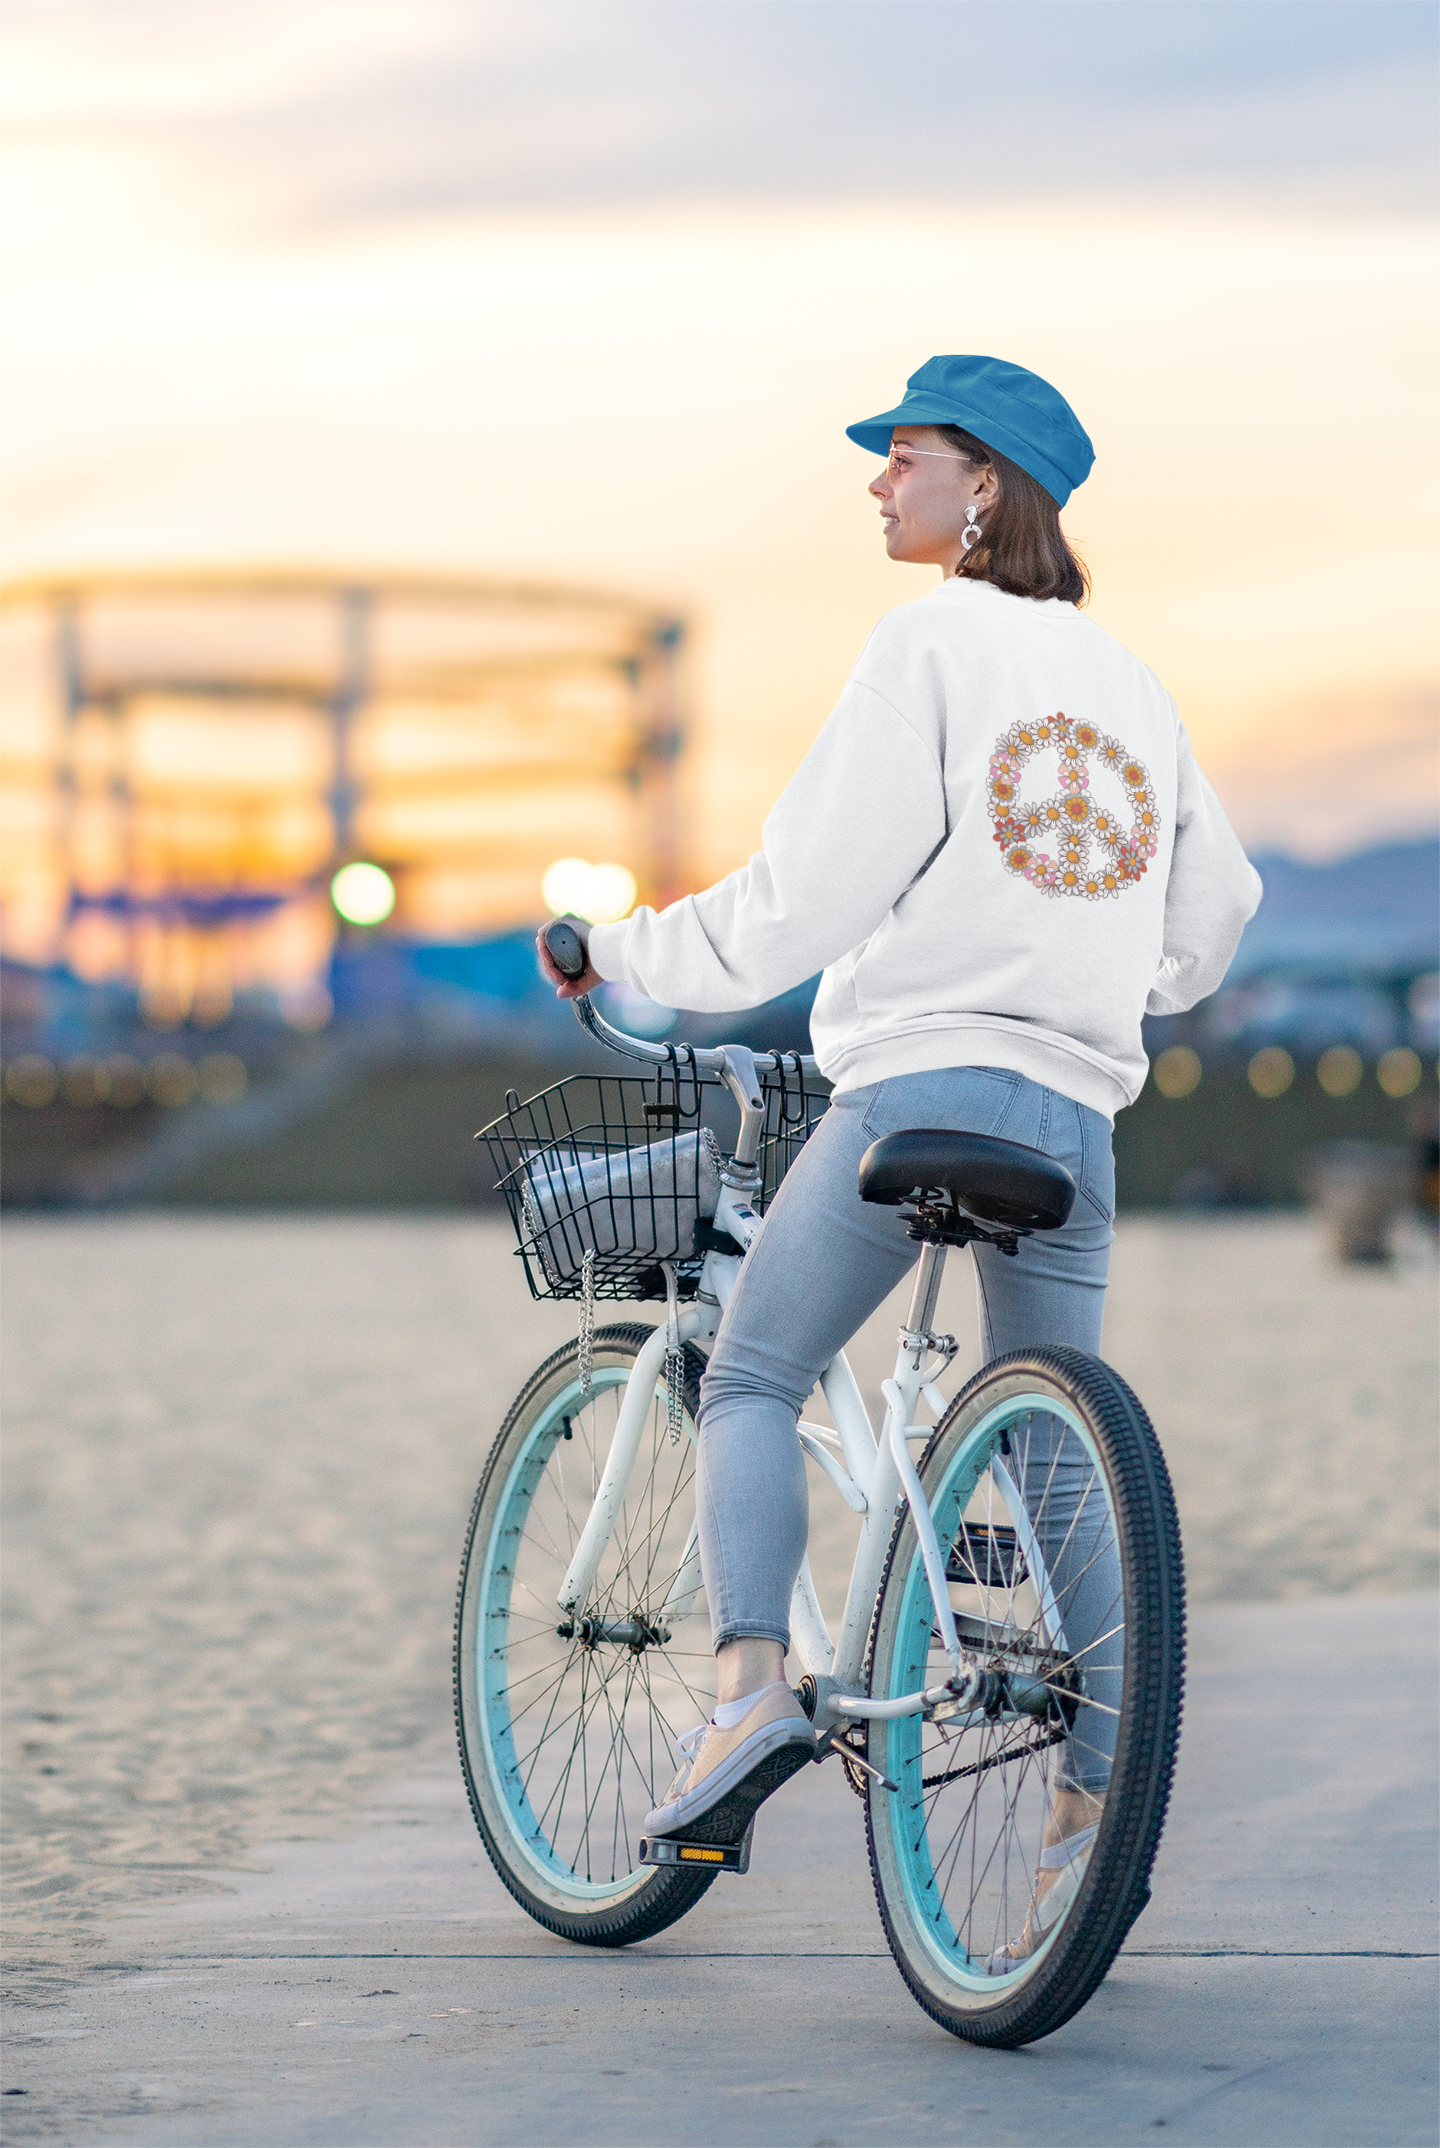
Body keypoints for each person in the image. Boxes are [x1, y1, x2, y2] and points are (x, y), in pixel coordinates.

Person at [538, 353, 1261, 1955]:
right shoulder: (1132, 685)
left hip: (921, 1085)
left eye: (904, 456)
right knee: (1054, 1439)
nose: (879, 482)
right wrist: (1098, 989)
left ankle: (743, 1699)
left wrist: (627, 954)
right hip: (1075, 1113)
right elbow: (1220, 916)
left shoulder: (926, 641)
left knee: (749, 1370)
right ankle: (1091, 1796)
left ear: (983, 486)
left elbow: (800, 898)